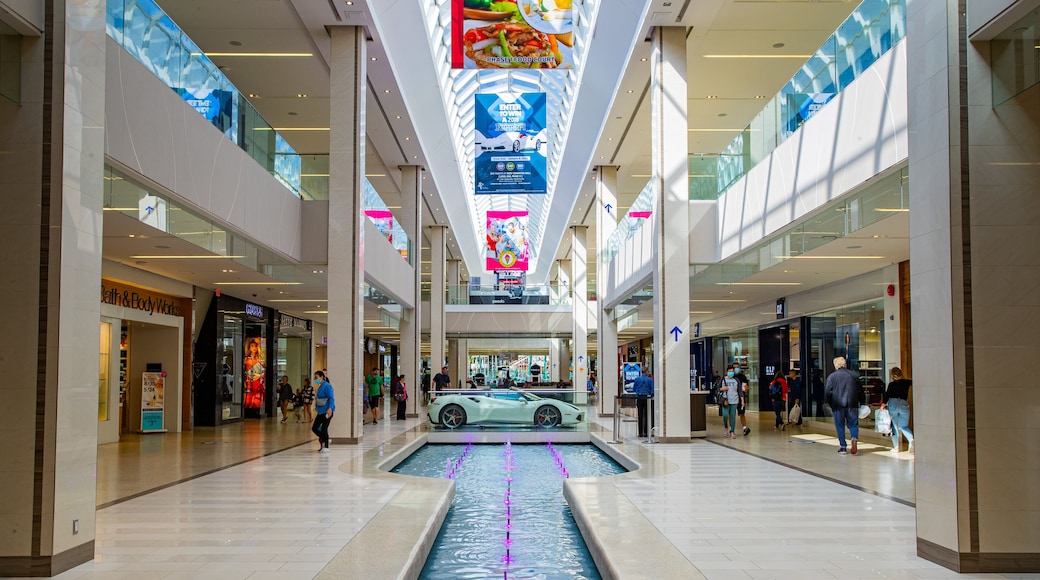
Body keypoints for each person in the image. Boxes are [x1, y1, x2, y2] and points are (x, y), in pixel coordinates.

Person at [824, 356, 864, 455]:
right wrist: (862, 403)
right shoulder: (854, 375)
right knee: (853, 424)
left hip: (838, 405)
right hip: (852, 404)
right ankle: (854, 438)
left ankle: (843, 447)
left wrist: (830, 403)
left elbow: (827, 392)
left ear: (836, 365)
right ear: (845, 365)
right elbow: (860, 391)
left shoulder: (832, 377)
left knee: (840, 425)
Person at [882, 366, 914, 454]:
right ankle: (911, 440)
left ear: (892, 375)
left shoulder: (892, 384)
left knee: (894, 427)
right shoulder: (907, 383)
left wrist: (883, 404)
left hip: (893, 405)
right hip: (904, 404)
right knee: (904, 426)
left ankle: (896, 447)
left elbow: (887, 395)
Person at [311, 371, 335, 453]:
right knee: (315, 428)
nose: (315, 379)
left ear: (322, 377)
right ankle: (326, 439)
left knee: (324, 428)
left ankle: (326, 446)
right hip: (321, 411)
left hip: (327, 411)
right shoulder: (320, 387)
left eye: (317, 377)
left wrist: (330, 408)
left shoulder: (327, 386)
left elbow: (331, 397)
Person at [632, 369, 654, 438]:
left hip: (639, 397)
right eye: (648, 372)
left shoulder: (637, 379)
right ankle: (647, 432)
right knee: (647, 415)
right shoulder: (650, 380)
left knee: (640, 415)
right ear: (646, 372)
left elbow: (634, 389)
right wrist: (651, 394)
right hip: (647, 398)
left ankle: (640, 432)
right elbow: (652, 389)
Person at [719, 368, 741, 439]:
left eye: (732, 371)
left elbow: (739, 390)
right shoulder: (723, 379)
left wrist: (742, 400)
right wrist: (722, 389)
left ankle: (732, 431)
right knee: (725, 415)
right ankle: (726, 426)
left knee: (732, 416)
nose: (731, 373)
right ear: (727, 372)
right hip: (726, 400)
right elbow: (717, 388)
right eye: (730, 371)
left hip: (734, 400)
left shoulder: (736, 380)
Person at [732, 363, 751, 436]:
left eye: (737, 367)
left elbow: (747, 386)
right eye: (734, 368)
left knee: (742, 413)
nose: (736, 369)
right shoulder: (729, 377)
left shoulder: (742, 377)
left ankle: (744, 428)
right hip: (732, 398)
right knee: (731, 414)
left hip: (740, 398)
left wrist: (745, 388)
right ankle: (732, 429)